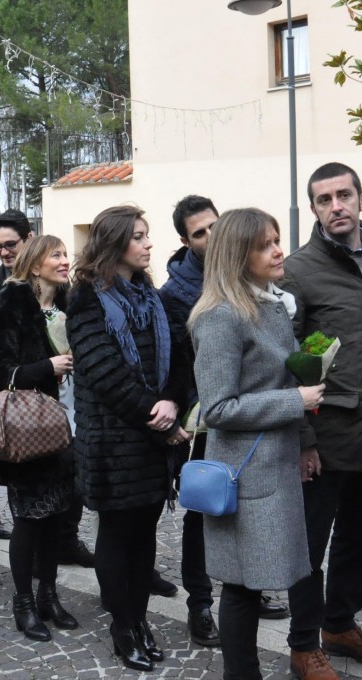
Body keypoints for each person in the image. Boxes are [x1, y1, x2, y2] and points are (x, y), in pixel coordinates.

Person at [188, 207, 321, 679]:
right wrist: (295, 399)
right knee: (242, 587)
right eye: (266, 244)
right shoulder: (220, 317)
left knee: (255, 583)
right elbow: (218, 409)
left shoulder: (270, 304)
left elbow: (281, 378)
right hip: (244, 476)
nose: (279, 250)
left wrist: (304, 435)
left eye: (277, 239)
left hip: (275, 466)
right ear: (239, 255)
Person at [279, 162, 362, 680]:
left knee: (357, 537)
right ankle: (304, 643)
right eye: (324, 199)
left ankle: (341, 624)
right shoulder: (298, 270)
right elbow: (286, 362)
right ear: (313, 209)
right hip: (326, 436)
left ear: (360, 197)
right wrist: (303, 439)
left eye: (343, 195)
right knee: (310, 544)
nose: (336, 207)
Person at [66, 205, 190, 672]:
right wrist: (154, 413)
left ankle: (140, 620)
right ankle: (123, 627)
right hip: (113, 444)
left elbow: (178, 356)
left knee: (145, 537)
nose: (148, 244)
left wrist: (173, 401)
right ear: (115, 243)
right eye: (138, 237)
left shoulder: (150, 297)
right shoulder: (86, 299)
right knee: (118, 538)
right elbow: (103, 372)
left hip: (152, 441)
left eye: (146, 235)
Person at [0, 234, 79, 641]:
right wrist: (47, 366)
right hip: (26, 430)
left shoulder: (65, 304)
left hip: (63, 425)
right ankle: (23, 602)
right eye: (56, 255)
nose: (64, 261)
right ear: (35, 264)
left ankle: (48, 595)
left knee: (55, 518)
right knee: (28, 520)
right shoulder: (12, 304)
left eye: (64, 254)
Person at [159, 194, 224, 644]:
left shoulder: (244, 269)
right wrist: (179, 419)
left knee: (247, 506)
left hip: (244, 410)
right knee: (201, 511)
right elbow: (172, 365)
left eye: (214, 226)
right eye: (200, 232)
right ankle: (199, 605)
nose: (211, 237)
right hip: (199, 419)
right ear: (185, 240)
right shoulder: (174, 295)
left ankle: (247, 588)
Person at [0, 209, 35, 540]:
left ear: (28, 239)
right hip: (12, 397)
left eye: (10, 244)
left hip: (59, 390)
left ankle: (64, 539)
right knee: (20, 481)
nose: (3, 253)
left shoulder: (49, 276)